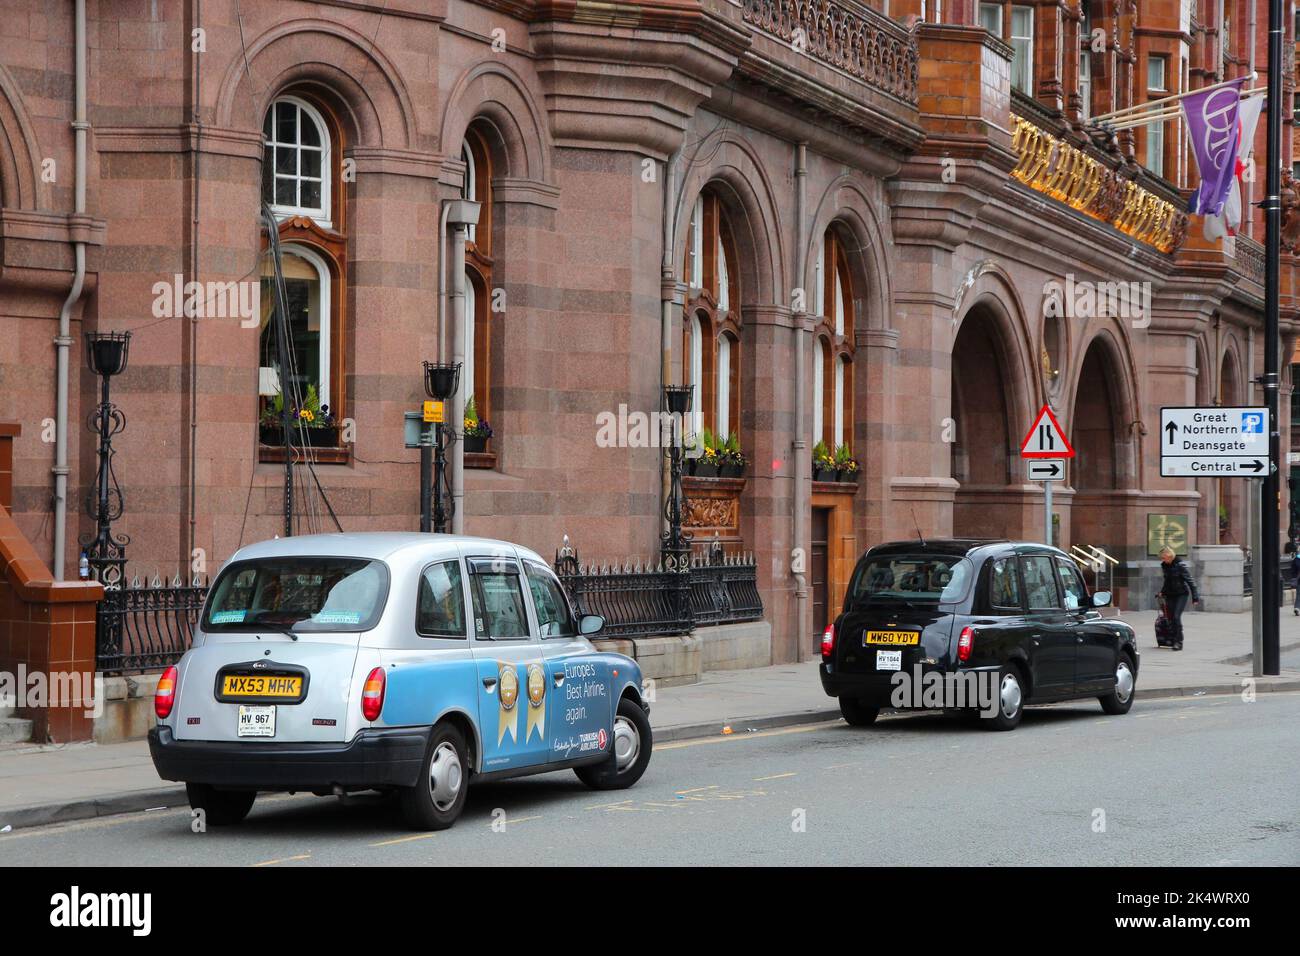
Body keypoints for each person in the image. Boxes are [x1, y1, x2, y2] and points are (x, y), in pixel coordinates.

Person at [1158, 547, 1200, 651]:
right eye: (1162, 558)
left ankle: (1178, 642)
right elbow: (1167, 581)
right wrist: (1162, 592)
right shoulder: (1164, 565)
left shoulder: (1180, 565)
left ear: (1169, 555)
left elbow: (1190, 581)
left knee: (1176, 617)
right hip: (1170, 594)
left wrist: (1195, 597)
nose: (1163, 560)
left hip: (1181, 594)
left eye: (1164, 557)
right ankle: (1173, 639)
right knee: (1171, 618)